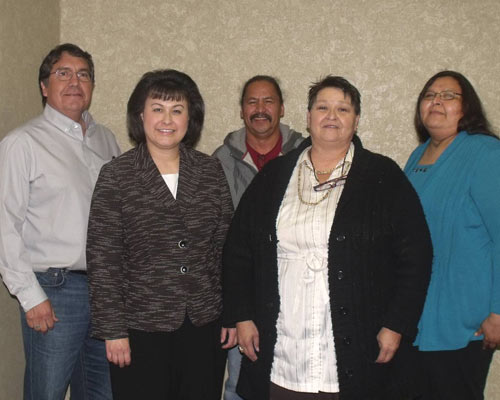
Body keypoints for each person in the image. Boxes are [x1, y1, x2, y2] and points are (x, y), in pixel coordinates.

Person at [222, 75, 432, 400]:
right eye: (322, 107)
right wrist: (243, 315)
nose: (331, 116)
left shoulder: (383, 177)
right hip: (283, 349)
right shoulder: (273, 176)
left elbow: (416, 256)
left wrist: (396, 324)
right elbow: (238, 251)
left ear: (356, 120)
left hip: (358, 349)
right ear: (308, 118)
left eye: (343, 109)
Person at [86, 69, 235, 399]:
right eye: (157, 108)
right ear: (140, 115)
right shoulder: (117, 175)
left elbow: (225, 247)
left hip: (204, 324)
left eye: (177, 110)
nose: (167, 119)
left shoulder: (210, 171)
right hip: (139, 328)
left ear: (189, 118)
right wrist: (113, 331)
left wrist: (232, 314)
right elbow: (103, 259)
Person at [0, 43, 120, 399]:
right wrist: (29, 295)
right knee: (47, 394)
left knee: (103, 394)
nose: (74, 81)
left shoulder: (106, 139)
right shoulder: (22, 143)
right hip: (54, 291)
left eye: (83, 74)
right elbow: (5, 223)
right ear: (43, 86)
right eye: (62, 73)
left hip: (105, 294)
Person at [404, 70, 500, 400]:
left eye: (448, 96)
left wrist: (499, 313)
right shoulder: (417, 156)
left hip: (466, 321)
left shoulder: (485, 153)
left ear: (466, 107)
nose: (436, 101)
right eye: (430, 95)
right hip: (419, 319)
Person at [213, 75, 303, 400]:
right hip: (243, 301)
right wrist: (233, 310)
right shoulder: (219, 162)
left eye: (268, 101)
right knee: (240, 386)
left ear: (281, 108)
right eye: (252, 101)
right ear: (241, 110)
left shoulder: (306, 157)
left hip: (296, 298)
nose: (260, 109)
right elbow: (216, 240)